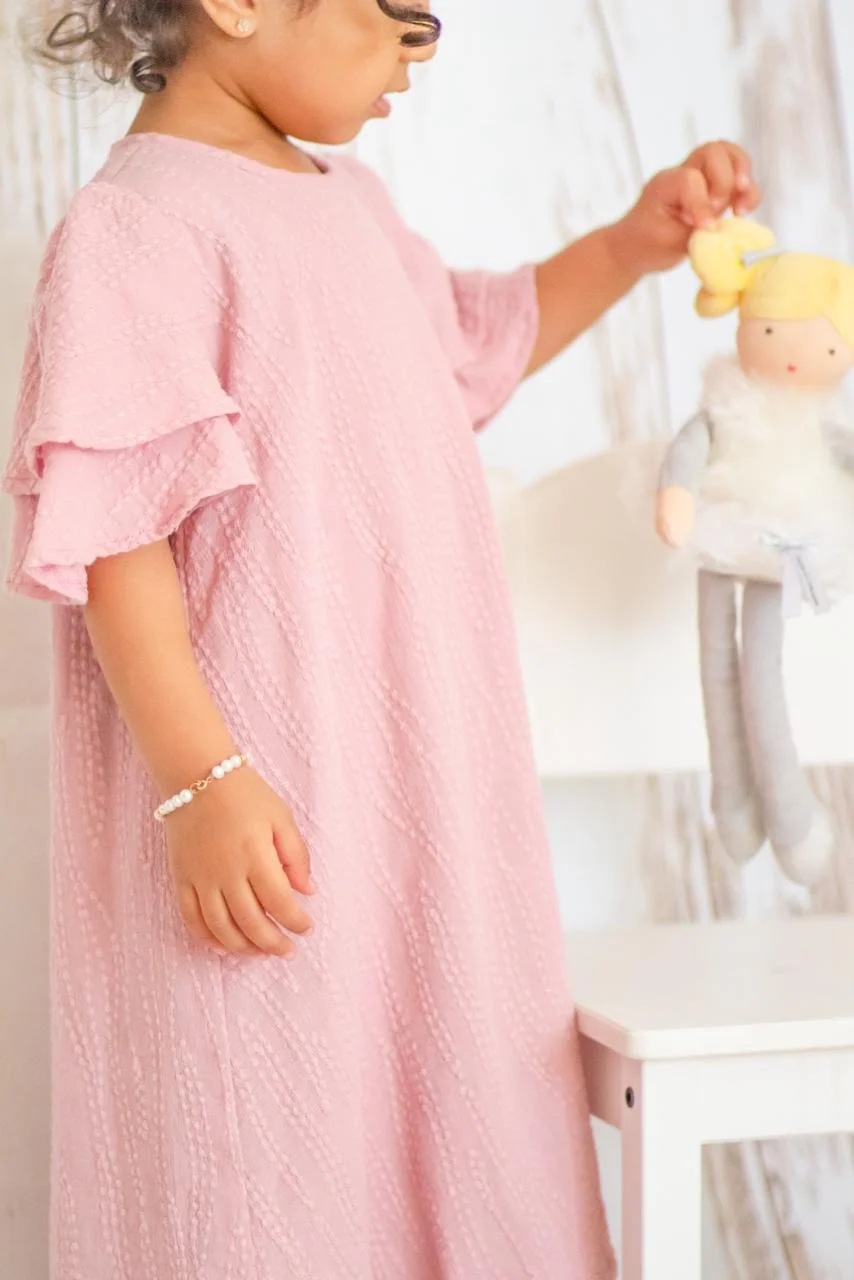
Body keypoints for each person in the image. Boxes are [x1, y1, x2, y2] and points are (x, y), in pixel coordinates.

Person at [3, 1, 760, 1276]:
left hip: (414, 786)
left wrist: (631, 243)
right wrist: (201, 777)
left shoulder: (344, 201)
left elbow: (468, 346)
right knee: (270, 1120)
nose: (420, 44)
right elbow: (120, 538)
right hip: (260, 795)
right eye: (391, 9)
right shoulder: (140, 228)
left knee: (449, 1099)